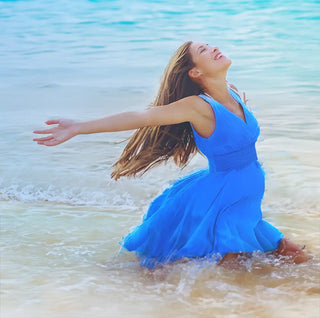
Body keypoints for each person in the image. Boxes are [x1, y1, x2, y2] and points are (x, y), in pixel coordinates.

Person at [33, 41, 308, 269]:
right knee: (230, 273)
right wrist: (79, 127)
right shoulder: (198, 107)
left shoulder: (233, 94)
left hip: (245, 199)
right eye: (204, 51)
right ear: (195, 73)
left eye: (210, 45)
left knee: (293, 256)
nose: (213, 49)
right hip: (224, 198)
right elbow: (143, 117)